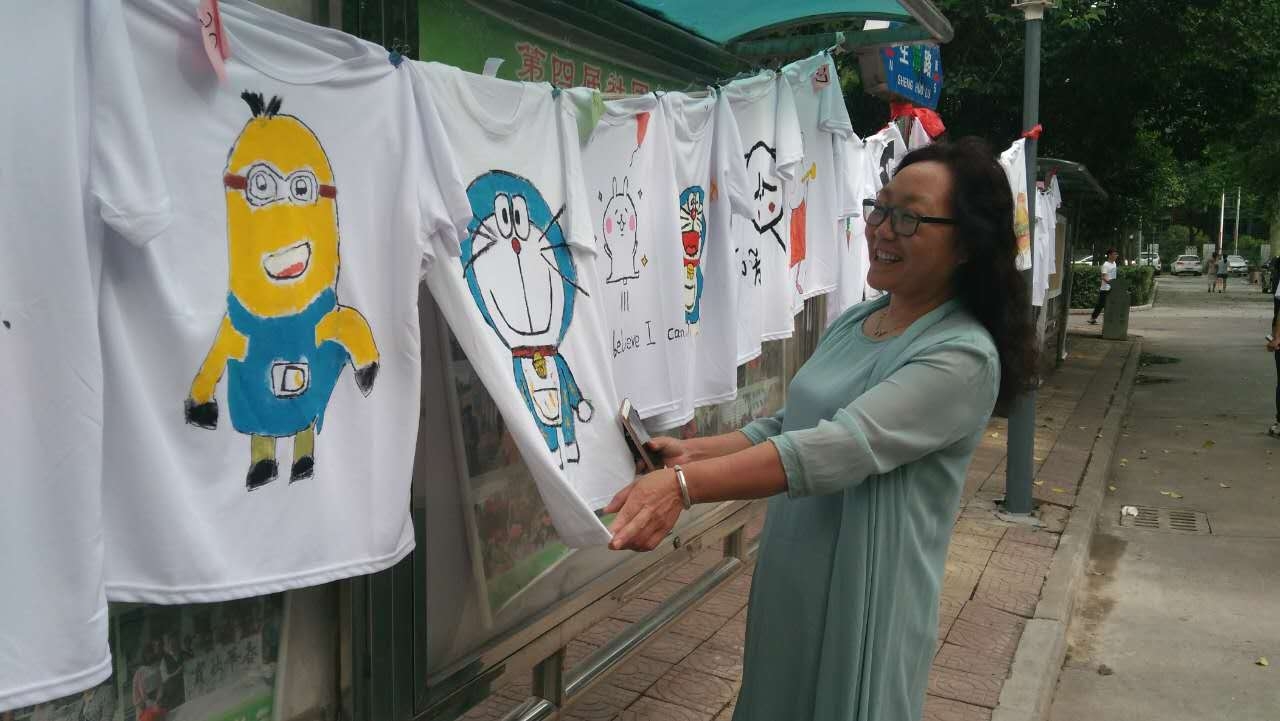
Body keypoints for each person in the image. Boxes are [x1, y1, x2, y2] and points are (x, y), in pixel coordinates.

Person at [603, 138, 1035, 721]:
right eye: (880, 208)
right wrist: (691, 454)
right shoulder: (859, 320)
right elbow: (790, 424)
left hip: (864, 590)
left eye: (908, 218)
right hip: (793, 571)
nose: (881, 229)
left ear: (966, 245)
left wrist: (683, 489)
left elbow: (840, 446)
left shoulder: (962, 355)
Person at [1089, 248, 1119, 324]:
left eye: (1116, 254)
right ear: (1109, 255)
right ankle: (1093, 318)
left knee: (1112, 304)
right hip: (1105, 288)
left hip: (1113, 288)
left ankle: (1109, 319)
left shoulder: (1114, 263)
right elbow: (1103, 276)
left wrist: (1114, 284)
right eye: (1114, 254)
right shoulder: (1105, 265)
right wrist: (1110, 283)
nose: (1116, 256)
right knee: (1100, 304)